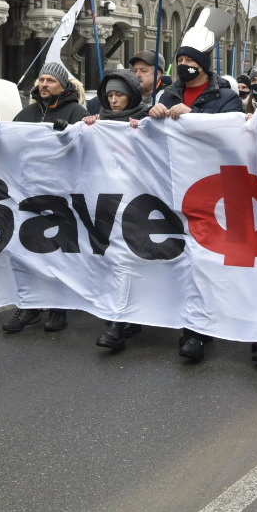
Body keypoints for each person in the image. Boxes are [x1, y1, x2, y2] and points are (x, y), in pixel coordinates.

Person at [149, 41, 243, 362]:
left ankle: (205, 326)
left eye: (190, 59)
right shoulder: (168, 95)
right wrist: (153, 115)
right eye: (180, 59)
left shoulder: (226, 97)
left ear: (203, 65)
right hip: (175, 188)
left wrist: (197, 115)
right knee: (185, 262)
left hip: (212, 190)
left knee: (207, 261)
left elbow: (233, 134)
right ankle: (192, 328)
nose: (184, 63)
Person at [3, 62, 91, 334]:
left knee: (56, 251)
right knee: (25, 251)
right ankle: (28, 307)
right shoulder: (27, 112)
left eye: (50, 80)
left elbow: (88, 149)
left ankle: (58, 308)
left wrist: (71, 135)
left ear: (63, 86)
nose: (43, 85)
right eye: (41, 79)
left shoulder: (77, 111)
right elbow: (8, 143)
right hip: (28, 192)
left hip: (60, 193)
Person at [86, 69, 155, 353]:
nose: (114, 101)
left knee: (130, 258)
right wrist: (88, 127)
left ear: (132, 96)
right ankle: (121, 318)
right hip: (107, 200)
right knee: (116, 259)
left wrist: (148, 131)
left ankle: (123, 319)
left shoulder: (148, 120)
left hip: (140, 201)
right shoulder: (98, 121)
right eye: (110, 95)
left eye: (120, 95)